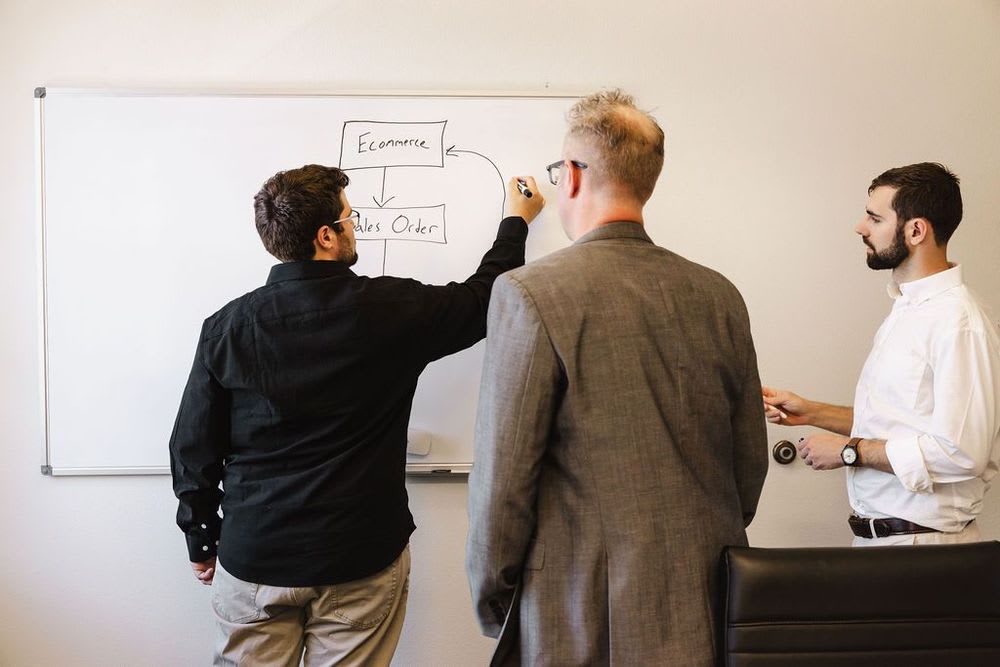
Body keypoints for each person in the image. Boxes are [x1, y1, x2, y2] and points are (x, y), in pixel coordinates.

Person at [169, 163, 544, 666]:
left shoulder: (227, 328)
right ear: (326, 236)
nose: (355, 225)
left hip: (256, 556)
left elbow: (193, 447)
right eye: (350, 218)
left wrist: (200, 537)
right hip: (359, 559)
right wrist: (516, 219)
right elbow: (484, 299)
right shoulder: (391, 309)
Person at [465, 90, 769, 665]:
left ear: (573, 177)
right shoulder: (718, 294)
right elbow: (748, 465)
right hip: (704, 599)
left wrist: (494, 598)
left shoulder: (529, 293)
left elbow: (502, 480)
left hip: (575, 610)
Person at [763, 162, 1000, 546]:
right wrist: (812, 412)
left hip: (924, 551)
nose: (860, 227)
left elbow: (961, 452)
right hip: (889, 546)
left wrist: (849, 452)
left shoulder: (958, 323)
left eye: (874, 218)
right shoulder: (908, 310)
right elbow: (905, 423)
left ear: (916, 230)